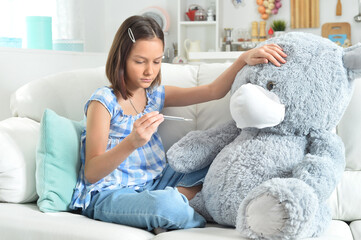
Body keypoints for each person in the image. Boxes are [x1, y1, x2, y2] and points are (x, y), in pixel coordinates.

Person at [70, 15, 287, 232]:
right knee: (164, 206)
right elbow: (91, 172)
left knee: (224, 165)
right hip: (110, 193)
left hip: (156, 181)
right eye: (140, 61)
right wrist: (132, 142)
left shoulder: (154, 95)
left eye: (156, 61)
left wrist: (242, 59)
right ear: (121, 59)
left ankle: (169, 208)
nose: (149, 71)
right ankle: (173, 209)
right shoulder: (103, 102)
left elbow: (212, 91)